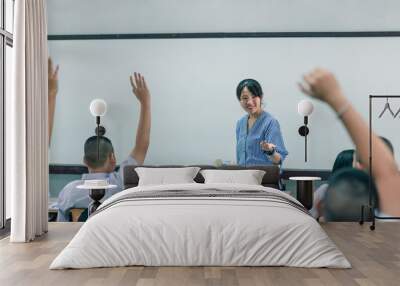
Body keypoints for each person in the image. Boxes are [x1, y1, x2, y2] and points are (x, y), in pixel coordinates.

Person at [299, 68, 400, 216]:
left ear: (321, 206)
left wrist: (334, 97)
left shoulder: (326, 194)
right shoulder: (391, 216)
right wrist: (336, 98)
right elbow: (386, 173)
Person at [56, 72, 151, 221]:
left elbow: (61, 225)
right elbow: (142, 146)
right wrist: (145, 102)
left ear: (84, 161)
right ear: (112, 158)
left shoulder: (68, 191)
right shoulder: (120, 183)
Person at [235, 79, 288, 166]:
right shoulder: (240, 123)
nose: (249, 102)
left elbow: (278, 160)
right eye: (245, 98)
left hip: (264, 178)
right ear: (240, 101)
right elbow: (240, 158)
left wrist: (270, 152)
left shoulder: (270, 122)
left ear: (261, 97)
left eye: (254, 96)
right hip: (243, 177)